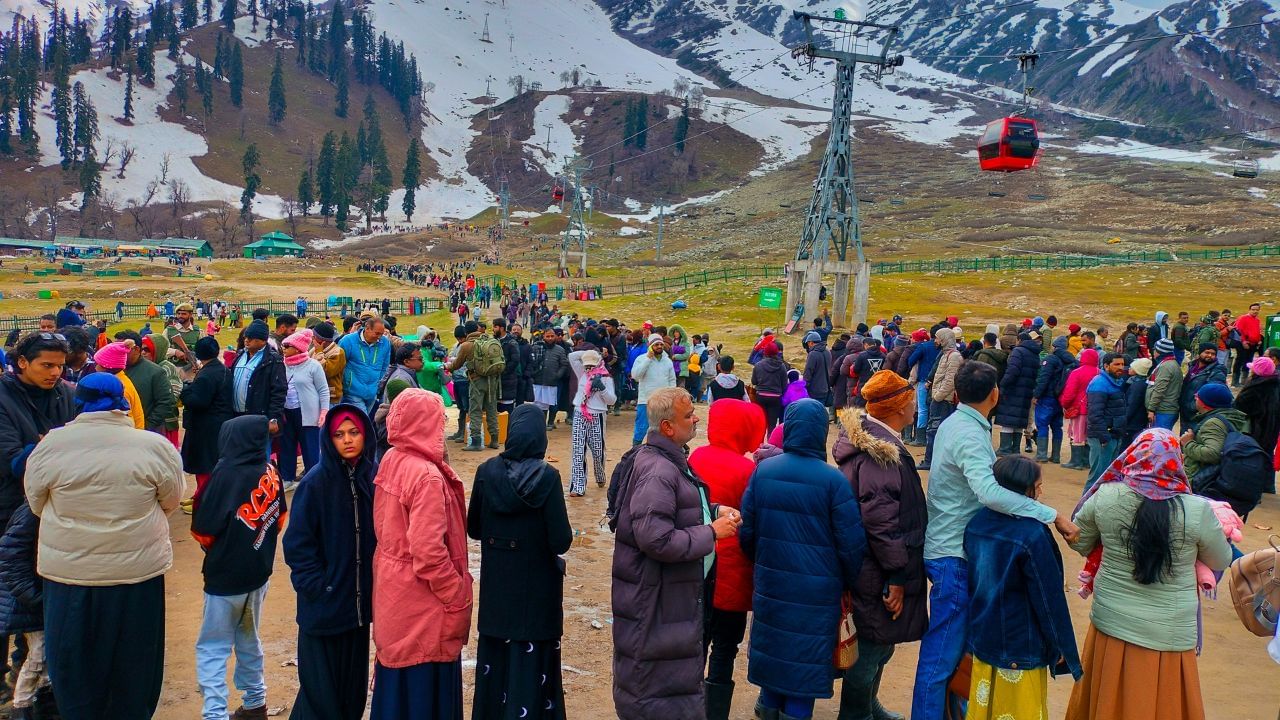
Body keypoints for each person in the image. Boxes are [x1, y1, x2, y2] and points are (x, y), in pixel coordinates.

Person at [911, 362, 1078, 720]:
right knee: (941, 658)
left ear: (956, 393)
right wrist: (1052, 515)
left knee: (955, 654)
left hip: (953, 546)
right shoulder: (968, 433)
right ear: (995, 394)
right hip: (952, 555)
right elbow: (988, 492)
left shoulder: (957, 423)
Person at [24, 372, 183, 719]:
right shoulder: (154, 447)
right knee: (135, 660)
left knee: (74, 662)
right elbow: (171, 499)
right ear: (123, 402)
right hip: (136, 576)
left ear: (78, 402)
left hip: (69, 576)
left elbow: (36, 503)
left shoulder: (50, 445)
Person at [1065, 428, 1233, 720]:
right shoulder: (1197, 510)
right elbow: (1221, 558)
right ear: (1177, 460)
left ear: (1133, 455)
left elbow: (1079, 540)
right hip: (1170, 634)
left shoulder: (1107, 495)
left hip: (1112, 624)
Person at [609, 387, 739, 720]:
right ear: (667, 427)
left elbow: (670, 512)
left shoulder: (669, 459)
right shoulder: (659, 470)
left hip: (666, 600)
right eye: (688, 415)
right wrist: (711, 532)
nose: (696, 419)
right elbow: (656, 538)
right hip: (656, 602)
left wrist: (712, 510)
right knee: (655, 697)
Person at [738, 398, 864, 720]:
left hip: (772, 582)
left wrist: (763, 562)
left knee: (775, 651)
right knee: (804, 662)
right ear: (821, 432)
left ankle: (768, 709)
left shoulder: (763, 472)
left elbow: (747, 531)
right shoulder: (834, 481)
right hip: (817, 592)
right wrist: (846, 580)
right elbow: (851, 544)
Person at [370, 389, 473, 720]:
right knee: (422, 690)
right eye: (438, 419)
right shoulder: (426, 476)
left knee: (396, 685)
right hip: (422, 603)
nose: (442, 425)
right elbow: (428, 552)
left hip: (393, 591)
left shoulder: (392, 458)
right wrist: (454, 593)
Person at [467, 405, 572, 720]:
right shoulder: (548, 477)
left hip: (498, 593)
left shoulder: (486, 472)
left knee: (495, 667)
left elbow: (474, 528)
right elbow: (560, 540)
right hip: (536, 596)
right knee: (532, 672)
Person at [832, 372, 926, 720]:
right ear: (899, 406)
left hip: (874, 563)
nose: (916, 407)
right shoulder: (879, 455)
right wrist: (897, 574)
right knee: (871, 645)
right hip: (877, 568)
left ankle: (868, 705)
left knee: (882, 643)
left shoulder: (879, 441)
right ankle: (855, 713)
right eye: (911, 401)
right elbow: (880, 521)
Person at [965, 455, 1082, 720]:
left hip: (984, 638)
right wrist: (1060, 646)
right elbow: (1048, 599)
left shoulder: (976, 523)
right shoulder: (1032, 535)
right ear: (1022, 490)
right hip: (1021, 644)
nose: (1041, 492)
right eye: (1037, 487)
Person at [283, 405, 377, 720]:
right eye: (339, 434)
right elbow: (297, 544)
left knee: (351, 695)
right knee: (320, 698)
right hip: (323, 610)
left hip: (357, 612)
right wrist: (317, 586)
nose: (347, 440)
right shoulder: (315, 483)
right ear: (329, 439)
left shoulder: (373, 477)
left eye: (354, 432)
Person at [191, 415, 285, 720]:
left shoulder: (223, 476)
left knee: (213, 647)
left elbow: (202, 530)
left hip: (225, 577)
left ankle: (215, 714)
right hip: (258, 572)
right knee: (248, 639)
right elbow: (280, 518)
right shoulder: (270, 470)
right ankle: (256, 703)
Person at [687, 398, 764, 720]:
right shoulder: (748, 470)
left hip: (698, 563)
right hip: (733, 571)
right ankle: (715, 711)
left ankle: (689, 707)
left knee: (695, 644)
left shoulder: (695, 457)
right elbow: (753, 521)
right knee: (725, 648)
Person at [0, 501, 55, 720]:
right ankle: (21, 706)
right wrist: (35, 597)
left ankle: (42, 703)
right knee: (39, 655)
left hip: (40, 598)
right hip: (31, 601)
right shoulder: (32, 513)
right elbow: (10, 557)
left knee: (45, 655)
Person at [181, 336, 235, 506]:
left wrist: (186, 390)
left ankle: (204, 501)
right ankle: (200, 495)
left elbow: (198, 401)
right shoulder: (221, 369)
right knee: (210, 463)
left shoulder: (207, 374)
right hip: (219, 422)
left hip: (206, 426)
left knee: (205, 465)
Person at [281, 331, 331, 488]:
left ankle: (314, 480)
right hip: (286, 412)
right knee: (287, 445)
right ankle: (287, 478)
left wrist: (324, 411)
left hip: (308, 413)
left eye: (287, 346)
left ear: (297, 348)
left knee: (310, 448)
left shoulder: (313, 366)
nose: (283, 348)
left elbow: (323, 390)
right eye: (283, 345)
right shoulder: (282, 365)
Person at [1181, 382, 1251, 492]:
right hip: (1217, 480)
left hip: (1202, 481)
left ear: (1205, 404)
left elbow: (1213, 453)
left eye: (1198, 396)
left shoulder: (1213, 423)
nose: (1195, 397)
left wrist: (1188, 443)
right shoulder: (1231, 416)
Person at [567, 349, 616, 496]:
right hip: (580, 413)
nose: (589, 368)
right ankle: (578, 486)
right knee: (578, 450)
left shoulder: (606, 378)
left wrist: (602, 388)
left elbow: (612, 401)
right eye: (587, 365)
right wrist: (591, 353)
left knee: (597, 451)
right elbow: (572, 356)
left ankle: (600, 475)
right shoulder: (582, 372)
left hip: (597, 416)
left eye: (591, 365)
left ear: (599, 363)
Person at [227, 321, 287, 435]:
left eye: (251, 338)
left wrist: (273, 418)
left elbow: (279, 391)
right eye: (246, 337)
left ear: (263, 340)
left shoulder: (273, 360)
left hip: (258, 418)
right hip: (236, 416)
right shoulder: (240, 355)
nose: (246, 340)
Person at [116, 329, 178, 434]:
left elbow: (166, 402)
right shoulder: (113, 369)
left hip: (145, 431)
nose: (117, 351)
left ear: (136, 349)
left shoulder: (156, 372)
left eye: (122, 348)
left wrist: (147, 425)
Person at [1085, 352, 1129, 492]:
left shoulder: (1116, 382)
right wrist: (1104, 437)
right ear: (1106, 366)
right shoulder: (1099, 384)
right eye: (1116, 364)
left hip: (1114, 435)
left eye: (1122, 364)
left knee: (1109, 477)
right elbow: (1095, 414)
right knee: (1097, 478)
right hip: (1102, 438)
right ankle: (1085, 504)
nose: (1120, 367)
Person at [1234, 355, 1279, 492]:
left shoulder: (1255, 388)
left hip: (1256, 428)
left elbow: (1240, 406)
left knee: (1253, 456)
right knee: (1267, 454)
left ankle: (1252, 486)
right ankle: (1268, 486)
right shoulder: (1275, 384)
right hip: (1272, 427)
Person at [921, 327, 963, 471]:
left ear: (944, 339)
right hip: (940, 399)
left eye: (938, 338)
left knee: (936, 431)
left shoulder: (954, 356)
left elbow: (950, 380)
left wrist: (937, 396)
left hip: (944, 400)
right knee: (933, 430)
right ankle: (930, 460)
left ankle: (932, 461)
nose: (935, 341)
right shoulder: (946, 354)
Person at [1032, 335, 1077, 464]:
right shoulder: (1072, 361)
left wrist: (1036, 395)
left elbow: (1044, 378)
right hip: (1061, 399)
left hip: (1047, 397)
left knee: (1042, 424)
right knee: (1057, 426)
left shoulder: (1051, 359)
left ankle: (1041, 455)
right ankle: (1056, 456)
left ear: (1054, 346)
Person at [995, 331, 1041, 455]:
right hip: (1027, 391)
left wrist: (1003, 384)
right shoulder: (1035, 354)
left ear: (1019, 340)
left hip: (1013, 390)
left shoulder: (1018, 351)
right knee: (1019, 421)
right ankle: (1015, 449)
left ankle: (1004, 448)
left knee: (1008, 420)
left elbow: (1012, 371)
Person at [628, 334, 677, 447]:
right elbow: (636, 376)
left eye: (661, 344)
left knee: (663, 428)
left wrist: (672, 397)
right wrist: (648, 359)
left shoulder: (667, 361)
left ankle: (660, 450)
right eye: (656, 344)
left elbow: (672, 380)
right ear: (649, 346)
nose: (659, 346)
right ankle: (635, 450)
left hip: (663, 402)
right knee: (641, 428)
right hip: (646, 400)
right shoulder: (641, 359)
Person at [339, 316, 391, 415]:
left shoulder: (385, 343)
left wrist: (378, 385)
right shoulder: (348, 341)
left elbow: (385, 366)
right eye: (377, 333)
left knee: (363, 421)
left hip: (372, 392)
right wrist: (345, 384)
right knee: (363, 419)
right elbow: (339, 365)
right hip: (352, 392)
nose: (379, 337)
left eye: (381, 334)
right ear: (367, 328)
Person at [1059, 348, 1100, 470]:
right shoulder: (1099, 373)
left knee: (1076, 434)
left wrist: (1065, 404)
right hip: (1094, 409)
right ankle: (1086, 461)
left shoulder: (1076, 372)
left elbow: (1069, 392)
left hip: (1079, 408)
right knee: (1088, 435)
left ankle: (1076, 462)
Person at [1180, 343, 1228, 428]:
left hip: (1198, 415)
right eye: (1207, 352)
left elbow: (1212, 393)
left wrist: (1193, 407)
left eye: (1213, 354)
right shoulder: (1192, 366)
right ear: (1200, 353)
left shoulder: (1217, 372)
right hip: (1185, 412)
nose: (1210, 355)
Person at [750, 338, 789, 436]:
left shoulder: (758, 365)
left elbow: (754, 381)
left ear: (765, 352)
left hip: (761, 397)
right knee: (772, 424)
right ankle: (770, 442)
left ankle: (760, 442)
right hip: (775, 398)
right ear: (776, 352)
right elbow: (784, 384)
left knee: (761, 422)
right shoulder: (781, 366)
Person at [1146, 337, 1183, 430]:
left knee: (1159, 437)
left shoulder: (1166, 367)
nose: (1153, 352)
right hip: (1166, 410)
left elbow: (1159, 389)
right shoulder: (1171, 363)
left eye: (1154, 350)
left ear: (1159, 352)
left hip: (1163, 411)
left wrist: (1151, 409)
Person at [310, 322, 346, 407]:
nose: (312, 339)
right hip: (315, 395)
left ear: (322, 340)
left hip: (331, 397)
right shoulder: (313, 350)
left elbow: (326, 372)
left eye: (314, 336)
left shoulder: (338, 352)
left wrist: (319, 353)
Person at [447, 326, 471, 442]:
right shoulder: (456, 346)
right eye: (458, 338)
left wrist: (454, 361)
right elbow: (451, 357)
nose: (460, 340)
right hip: (456, 379)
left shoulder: (467, 346)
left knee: (466, 407)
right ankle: (460, 431)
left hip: (464, 379)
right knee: (460, 406)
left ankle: (465, 433)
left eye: (461, 338)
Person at [1232, 302, 1264, 387]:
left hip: (1253, 344)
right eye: (1253, 309)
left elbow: (1257, 332)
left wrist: (1259, 340)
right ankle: (1235, 381)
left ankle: (1244, 381)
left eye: (1257, 310)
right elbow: (1238, 330)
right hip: (1243, 343)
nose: (1255, 311)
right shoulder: (1243, 318)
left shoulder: (1257, 320)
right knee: (1240, 361)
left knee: (1248, 361)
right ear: (1249, 310)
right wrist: (1243, 341)